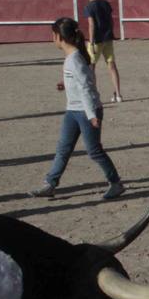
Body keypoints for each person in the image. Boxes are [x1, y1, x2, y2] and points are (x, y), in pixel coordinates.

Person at [29, 17, 125, 201]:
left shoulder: (74, 60)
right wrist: (65, 83)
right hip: (73, 111)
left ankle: (116, 183)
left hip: (86, 112)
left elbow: (86, 88)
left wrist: (92, 115)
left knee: (94, 151)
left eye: (53, 35)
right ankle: (50, 183)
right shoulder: (74, 57)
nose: (52, 39)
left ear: (59, 37)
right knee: (63, 148)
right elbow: (81, 81)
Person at [82, 0, 122, 103]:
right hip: (108, 38)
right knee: (111, 65)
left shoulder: (89, 7)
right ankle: (118, 94)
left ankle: (93, 96)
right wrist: (110, 33)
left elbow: (91, 25)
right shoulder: (105, 3)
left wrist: (92, 41)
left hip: (97, 40)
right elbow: (111, 20)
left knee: (91, 67)